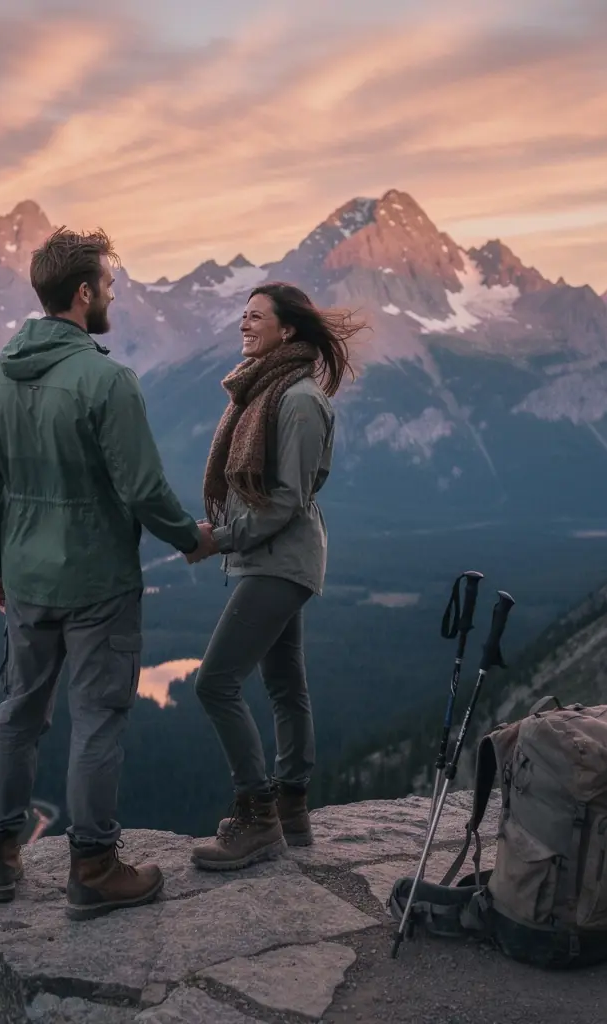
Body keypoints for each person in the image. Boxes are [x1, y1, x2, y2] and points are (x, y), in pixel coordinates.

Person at [0, 226, 217, 917]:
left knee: (18, 712)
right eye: (106, 284)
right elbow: (142, 487)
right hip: (98, 582)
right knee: (99, 718)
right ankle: (94, 868)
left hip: (24, 576)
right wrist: (190, 538)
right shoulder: (106, 380)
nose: (111, 295)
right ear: (82, 293)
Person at [185, 281, 366, 871]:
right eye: (242, 314)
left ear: (287, 330)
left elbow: (286, 499)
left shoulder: (298, 400)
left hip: (279, 560)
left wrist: (221, 538)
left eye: (255, 316)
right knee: (286, 686)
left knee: (215, 683)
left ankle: (256, 813)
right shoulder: (265, 391)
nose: (243, 323)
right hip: (268, 557)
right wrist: (226, 530)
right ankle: (291, 810)